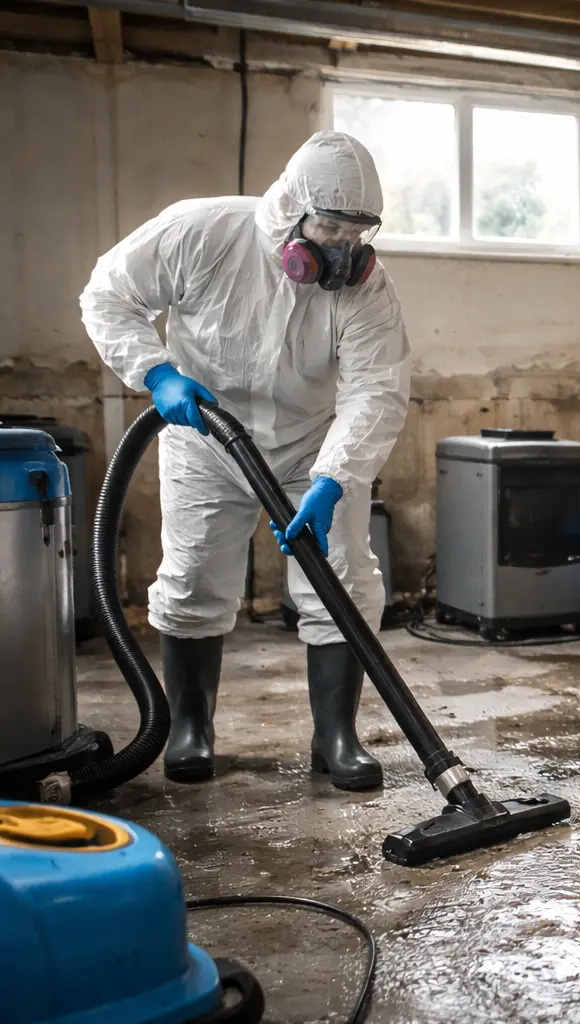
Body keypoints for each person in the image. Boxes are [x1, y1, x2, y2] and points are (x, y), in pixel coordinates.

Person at [81, 131, 410, 791]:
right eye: (330, 224)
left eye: (357, 229)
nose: (343, 245)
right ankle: (188, 728)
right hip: (204, 436)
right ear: (290, 207)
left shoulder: (365, 292)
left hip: (310, 449)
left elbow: (377, 391)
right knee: (196, 578)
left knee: (340, 577)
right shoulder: (200, 233)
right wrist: (156, 372)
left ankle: (335, 737)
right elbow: (107, 296)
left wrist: (335, 479)